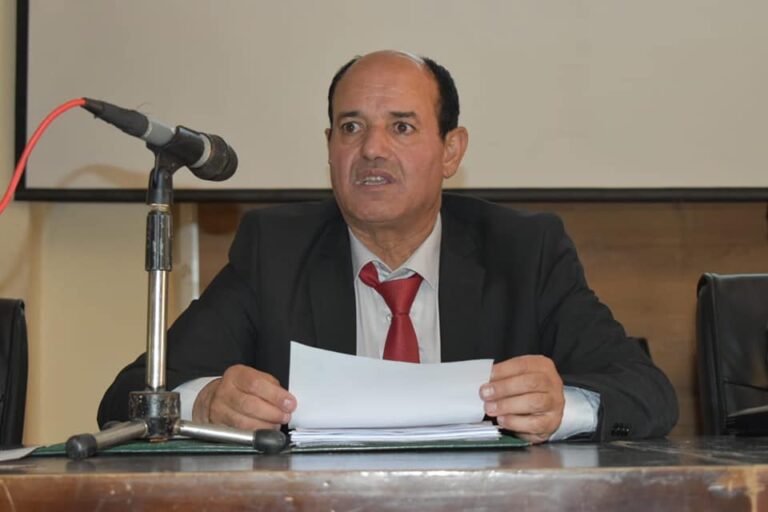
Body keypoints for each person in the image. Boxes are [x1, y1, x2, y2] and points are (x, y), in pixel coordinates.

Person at [99, 50, 678, 443]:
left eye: (402, 126)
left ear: (451, 151)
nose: (372, 149)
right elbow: (128, 396)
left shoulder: (524, 250)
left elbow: (648, 390)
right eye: (351, 127)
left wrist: (563, 406)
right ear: (330, 147)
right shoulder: (275, 250)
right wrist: (205, 403)